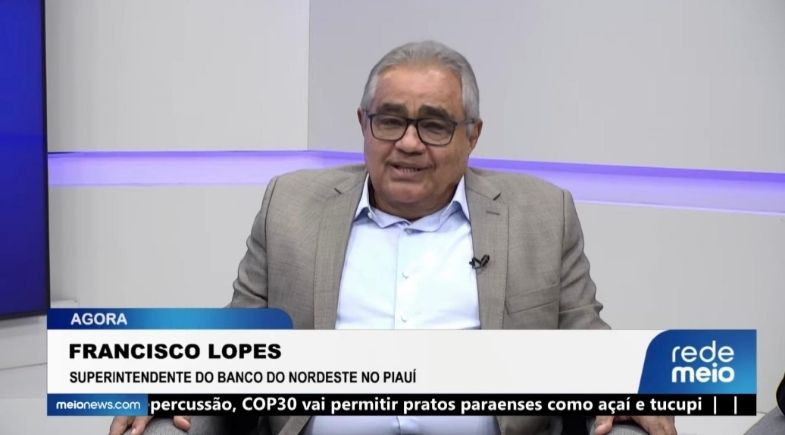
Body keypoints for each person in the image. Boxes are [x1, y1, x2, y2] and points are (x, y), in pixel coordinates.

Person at [110, 41, 676, 435]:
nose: (408, 142)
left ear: (472, 136)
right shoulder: (290, 206)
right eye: (390, 120)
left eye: (434, 124)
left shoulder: (541, 214)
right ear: (363, 125)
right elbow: (238, 344)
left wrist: (625, 384)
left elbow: (584, 335)